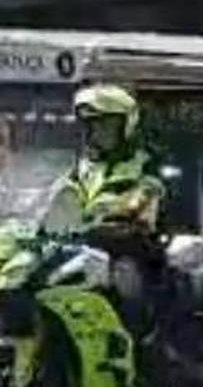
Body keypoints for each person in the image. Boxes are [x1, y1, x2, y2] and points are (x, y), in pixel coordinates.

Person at [67, 84, 169, 337]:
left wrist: (131, 205)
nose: (98, 132)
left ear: (127, 126)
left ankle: (138, 341)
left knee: (125, 278)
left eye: (106, 125)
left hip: (130, 244)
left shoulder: (144, 160)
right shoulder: (83, 166)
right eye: (92, 125)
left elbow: (151, 188)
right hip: (82, 241)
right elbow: (58, 191)